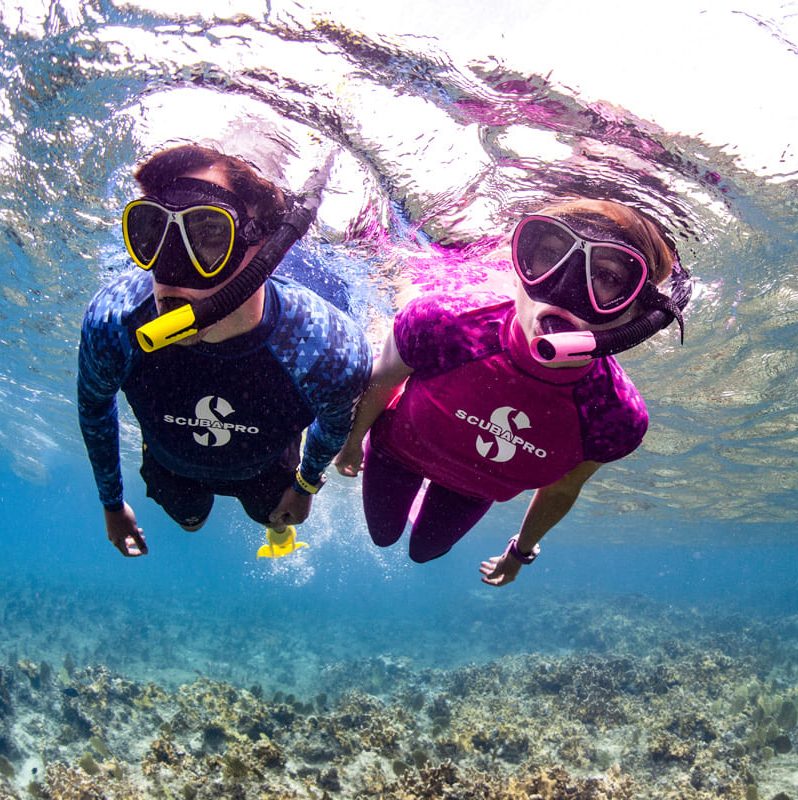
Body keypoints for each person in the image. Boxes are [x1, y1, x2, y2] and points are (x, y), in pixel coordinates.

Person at [334, 199, 690, 586]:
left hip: (471, 492)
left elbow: (563, 488)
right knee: (382, 536)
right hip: (395, 455)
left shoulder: (614, 416)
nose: (562, 289)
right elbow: (384, 380)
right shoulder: (441, 322)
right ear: (519, 264)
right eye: (547, 255)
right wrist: (352, 442)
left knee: (426, 552)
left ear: (641, 316)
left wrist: (521, 552)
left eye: (608, 277)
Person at [78, 144, 372, 557]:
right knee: (189, 521)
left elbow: (334, 424)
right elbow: (94, 407)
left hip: (268, 471)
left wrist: (305, 486)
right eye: (152, 230)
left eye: (209, 235)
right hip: (171, 467)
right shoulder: (116, 321)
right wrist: (111, 504)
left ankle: (278, 533)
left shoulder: (325, 345)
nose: (169, 273)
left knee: (271, 517)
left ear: (268, 248)